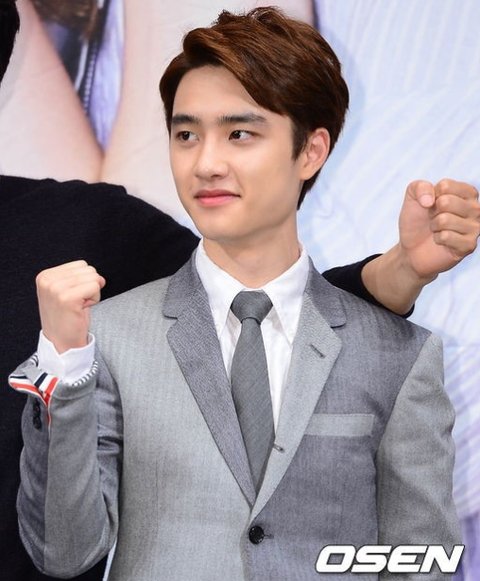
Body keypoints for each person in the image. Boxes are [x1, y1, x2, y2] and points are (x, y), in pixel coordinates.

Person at [9, 7, 469, 579]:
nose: (206, 163)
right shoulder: (106, 340)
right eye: (185, 135)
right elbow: (63, 553)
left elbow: (422, 560)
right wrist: (64, 366)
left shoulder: (398, 355)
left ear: (312, 151)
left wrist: (401, 268)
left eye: (239, 134)